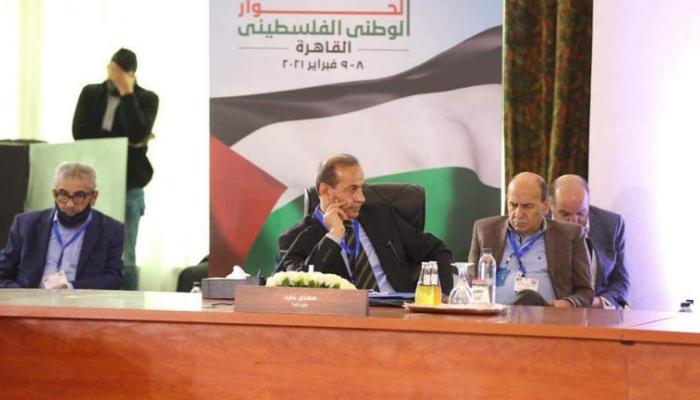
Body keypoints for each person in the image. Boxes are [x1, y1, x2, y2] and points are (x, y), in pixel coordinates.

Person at [277, 154, 453, 293]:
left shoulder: (380, 216)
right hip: (343, 320)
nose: (361, 198)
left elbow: (437, 249)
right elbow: (299, 288)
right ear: (325, 191)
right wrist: (334, 236)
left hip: (399, 313)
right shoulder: (294, 237)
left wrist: (443, 297)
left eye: (361, 188)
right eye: (352, 189)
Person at [72, 48, 158, 290]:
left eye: (120, 74)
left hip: (130, 184)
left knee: (126, 255)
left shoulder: (146, 99)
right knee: (88, 251)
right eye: (112, 70)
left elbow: (137, 132)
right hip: (92, 183)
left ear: (131, 75)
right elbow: (80, 132)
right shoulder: (91, 93)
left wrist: (127, 93)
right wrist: (126, 141)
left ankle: (130, 305)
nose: (113, 76)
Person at [468, 172, 593, 307]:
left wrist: (566, 304)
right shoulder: (485, 230)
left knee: (530, 298)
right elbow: (470, 282)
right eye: (513, 205)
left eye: (527, 206)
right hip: (494, 316)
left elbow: (585, 291)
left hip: (546, 316)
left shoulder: (569, 235)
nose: (518, 214)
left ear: (545, 206)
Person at [0, 162, 124, 289]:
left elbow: (114, 278)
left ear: (93, 197)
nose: (70, 204)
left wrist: (70, 288)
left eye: (79, 196)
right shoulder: (25, 224)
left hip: (79, 299)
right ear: (54, 194)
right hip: (29, 298)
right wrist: (22, 295)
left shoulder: (111, 230)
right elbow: (2, 272)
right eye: (63, 195)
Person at [551, 174, 630, 309]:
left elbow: (620, 281)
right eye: (565, 214)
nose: (573, 221)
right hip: (552, 310)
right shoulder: (538, 225)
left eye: (580, 213)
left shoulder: (612, 225)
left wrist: (600, 302)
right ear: (550, 206)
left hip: (595, 311)